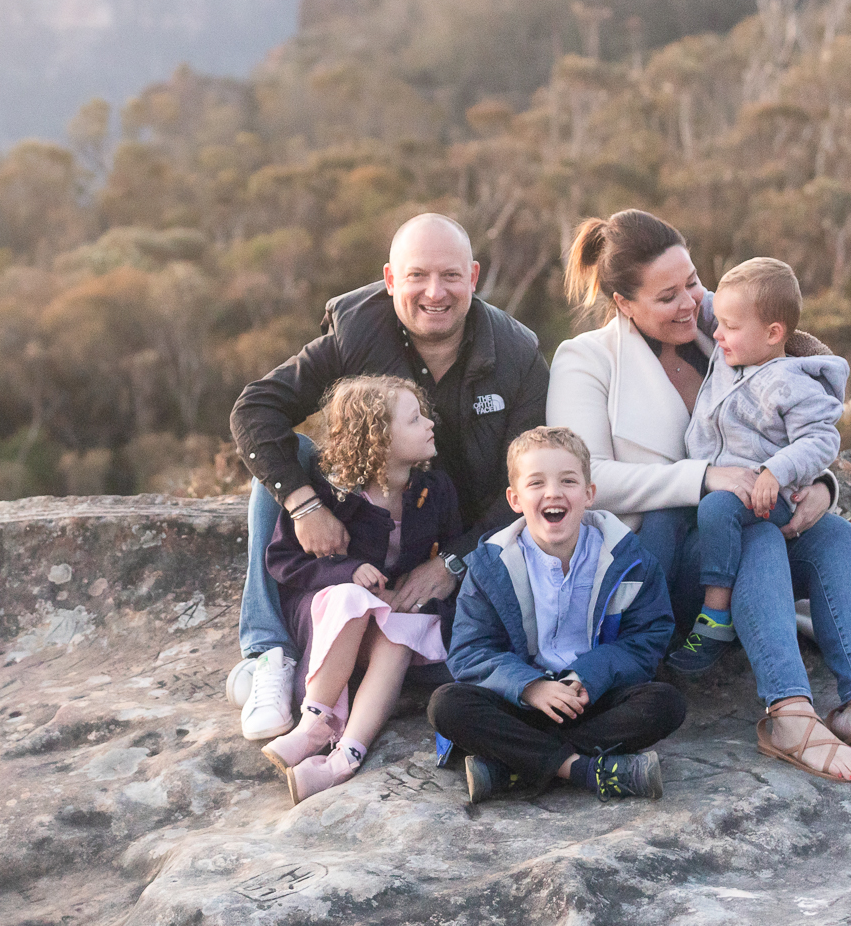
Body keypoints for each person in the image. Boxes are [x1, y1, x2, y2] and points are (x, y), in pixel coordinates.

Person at [546, 209, 851, 782]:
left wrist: (819, 484)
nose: (692, 301)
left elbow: (801, 409)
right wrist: (703, 477)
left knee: (836, 536)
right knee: (758, 535)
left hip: (741, 517)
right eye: (667, 295)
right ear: (623, 303)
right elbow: (584, 481)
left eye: (692, 280)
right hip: (658, 561)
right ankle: (788, 713)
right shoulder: (586, 360)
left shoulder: (723, 320)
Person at [226, 213, 550, 741]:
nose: (434, 292)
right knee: (293, 460)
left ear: (472, 277)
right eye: (417, 276)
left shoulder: (518, 356)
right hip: (361, 538)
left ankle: (343, 684)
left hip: (459, 542)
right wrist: (307, 506)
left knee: (446, 670)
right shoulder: (356, 330)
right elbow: (254, 410)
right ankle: (271, 655)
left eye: (449, 276)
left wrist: (453, 563)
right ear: (390, 278)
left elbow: (529, 484)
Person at [428, 426, 686, 804]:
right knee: (447, 705)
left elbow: (647, 638)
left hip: (592, 698)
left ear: (589, 494)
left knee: (666, 702)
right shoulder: (489, 565)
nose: (553, 493)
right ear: (515, 499)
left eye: (568, 480)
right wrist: (530, 687)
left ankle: (511, 768)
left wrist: (589, 676)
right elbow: (470, 652)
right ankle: (581, 769)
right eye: (536, 483)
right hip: (520, 703)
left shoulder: (630, 560)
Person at [261, 376, 460, 803]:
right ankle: (314, 724)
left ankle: (345, 757)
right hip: (330, 621)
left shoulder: (436, 489)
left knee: (401, 634)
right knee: (353, 599)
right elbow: (282, 562)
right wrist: (347, 572)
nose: (429, 425)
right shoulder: (327, 492)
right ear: (379, 439)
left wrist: (419, 596)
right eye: (414, 419)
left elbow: (450, 557)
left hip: (385, 623)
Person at [664, 257, 848, 676]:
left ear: (773, 334)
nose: (716, 333)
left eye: (728, 327)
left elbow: (822, 439)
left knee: (717, 508)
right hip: (735, 491)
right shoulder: (737, 355)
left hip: (771, 494)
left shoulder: (792, 381)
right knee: (717, 509)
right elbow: (709, 301)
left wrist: (776, 472)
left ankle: (716, 615)